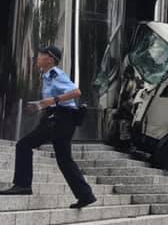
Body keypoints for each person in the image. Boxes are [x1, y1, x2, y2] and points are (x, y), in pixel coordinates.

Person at [0, 45, 96, 208]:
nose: (37, 58)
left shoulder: (54, 73)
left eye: (40, 55)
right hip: (61, 118)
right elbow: (56, 99)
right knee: (64, 159)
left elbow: (76, 92)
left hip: (59, 119)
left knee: (23, 145)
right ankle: (85, 195)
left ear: (50, 59)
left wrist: (52, 101)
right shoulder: (46, 76)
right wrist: (39, 105)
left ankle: (23, 185)